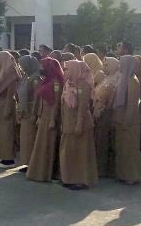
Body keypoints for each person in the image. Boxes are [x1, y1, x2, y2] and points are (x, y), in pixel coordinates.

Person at [59, 59, 97, 189]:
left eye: (67, 69)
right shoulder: (69, 84)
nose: (65, 71)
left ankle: (81, 180)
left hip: (79, 123)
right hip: (69, 123)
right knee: (69, 151)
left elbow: (83, 106)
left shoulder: (83, 85)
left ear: (75, 70)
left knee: (80, 153)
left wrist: (79, 123)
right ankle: (69, 178)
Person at [25, 55, 62, 184]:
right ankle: (39, 172)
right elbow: (39, 99)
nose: (41, 68)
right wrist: (36, 115)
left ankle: (48, 173)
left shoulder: (56, 82)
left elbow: (56, 103)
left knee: (48, 145)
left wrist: (52, 119)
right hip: (43, 116)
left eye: (43, 66)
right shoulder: (46, 80)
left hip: (50, 117)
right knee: (41, 145)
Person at [112, 54, 141, 185]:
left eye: (122, 63)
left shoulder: (132, 81)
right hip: (120, 118)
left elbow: (132, 104)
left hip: (129, 120)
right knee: (122, 148)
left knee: (130, 148)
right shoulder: (123, 79)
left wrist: (127, 120)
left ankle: (132, 175)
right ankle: (123, 174)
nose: (119, 66)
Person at [0, 50, 23, 165]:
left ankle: (9, 159)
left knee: (7, 132)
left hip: (6, 103)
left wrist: (8, 107)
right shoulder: (1, 71)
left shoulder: (10, 72)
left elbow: (11, 92)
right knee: (0, 133)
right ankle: (2, 156)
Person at [16, 54, 40, 169]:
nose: (21, 67)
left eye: (22, 65)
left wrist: (34, 114)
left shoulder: (35, 78)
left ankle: (33, 164)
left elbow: (36, 98)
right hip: (24, 112)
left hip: (30, 112)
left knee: (30, 139)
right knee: (25, 139)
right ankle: (27, 163)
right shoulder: (26, 76)